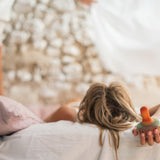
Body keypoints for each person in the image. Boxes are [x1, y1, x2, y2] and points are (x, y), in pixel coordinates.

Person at [45, 82, 141, 160]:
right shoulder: (69, 113)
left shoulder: (128, 114)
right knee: (75, 102)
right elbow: (44, 121)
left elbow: (155, 108)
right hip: (77, 105)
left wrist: (154, 118)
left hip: (86, 105)